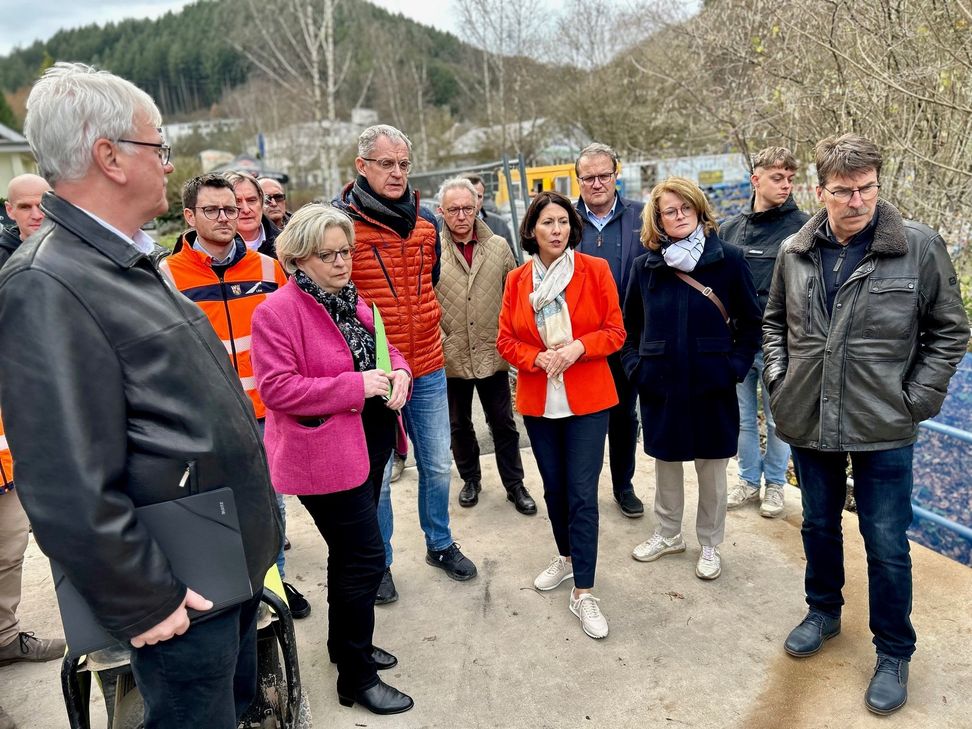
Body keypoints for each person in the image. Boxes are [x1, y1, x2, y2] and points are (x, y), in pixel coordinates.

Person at [0, 62, 281, 729]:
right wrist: (144, 599)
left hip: (221, 563)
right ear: (110, 157)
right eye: (159, 146)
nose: (168, 162)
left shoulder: (121, 257)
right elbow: (63, 480)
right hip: (179, 592)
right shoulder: (47, 283)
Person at [763, 134, 969, 715]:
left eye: (867, 188)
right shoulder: (794, 251)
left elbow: (950, 330)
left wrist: (917, 398)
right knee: (818, 525)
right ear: (819, 191)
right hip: (809, 416)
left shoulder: (918, 247)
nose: (857, 200)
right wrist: (780, 381)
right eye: (844, 191)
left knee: (885, 541)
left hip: (884, 423)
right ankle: (823, 611)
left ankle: (894, 651)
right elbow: (774, 323)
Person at [251, 203, 414, 715]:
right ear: (299, 257)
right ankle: (356, 678)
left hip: (370, 443)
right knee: (365, 558)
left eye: (346, 252)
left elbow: (384, 351)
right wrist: (355, 385)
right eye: (329, 255)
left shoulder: (351, 299)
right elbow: (277, 389)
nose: (343, 262)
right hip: (324, 457)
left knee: (349, 557)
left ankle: (346, 648)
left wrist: (401, 373)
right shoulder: (277, 312)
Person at [336, 124, 476, 605]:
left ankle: (440, 543)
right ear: (362, 166)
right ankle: (380, 563)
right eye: (386, 164)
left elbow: (429, 280)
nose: (397, 173)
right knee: (376, 481)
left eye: (403, 164)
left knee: (437, 465)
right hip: (375, 377)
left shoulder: (426, 222)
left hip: (428, 366)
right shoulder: (342, 224)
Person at [158, 174, 309, 619]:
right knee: (215, 509)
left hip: (264, 412)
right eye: (213, 210)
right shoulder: (167, 277)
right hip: (205, 419)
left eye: (231, 208)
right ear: (189, 216)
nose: (226, 217)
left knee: (268, 510)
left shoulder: (268, 269)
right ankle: (232, 596)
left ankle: (273, 592)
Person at [497, 190, 625, 640]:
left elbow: (615, 331)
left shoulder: (595, 270)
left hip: (588, 400)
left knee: (582, 494)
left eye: (564, 222)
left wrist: (577, 348)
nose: (557, 230)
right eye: (548, 223)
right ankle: (567, 557)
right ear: (532, 230)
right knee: (554, 489)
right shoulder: (517, 280)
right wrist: (536, 358)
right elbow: (506, 340)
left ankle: (584, 591)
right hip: (540, 400)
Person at [622, 177, 760, 581]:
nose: (679, 216)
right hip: (661, 382)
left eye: (686, 208)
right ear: (658, 219)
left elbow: (752, 323)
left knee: (712, 468)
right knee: (666, 462)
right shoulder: (645, 267)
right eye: (670, 211)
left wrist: (733, 368)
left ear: (699, 210)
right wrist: (637, 369)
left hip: (712, 383)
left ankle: (710, 543)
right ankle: (668, 534)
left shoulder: (729, 259)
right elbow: (628, 327)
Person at [0, 173, 63, 729]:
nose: (36, 214)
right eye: (25, 206)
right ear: (10, 211)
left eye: (43, 204)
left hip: (18, 448)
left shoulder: (69, 255)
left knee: (11, 548)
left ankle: (4, 637)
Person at [434, 177, 535, 515]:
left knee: (503, 423)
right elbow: (423, 301)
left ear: (477, 206)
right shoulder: (432, 250)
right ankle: (471, 479)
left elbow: (515, 297)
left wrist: (510, 338)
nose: (462, 216)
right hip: (451, 354)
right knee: (459, 424)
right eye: (453, 210)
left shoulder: (498, 246)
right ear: (441, 212)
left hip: (492, 351)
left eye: (467, 208)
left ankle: (515, 484)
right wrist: (441, 338)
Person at [720, 146, 809, 518]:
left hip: (781, 345)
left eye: (790, 178)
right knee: (742, 417)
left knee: (777, 419)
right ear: (755, 179)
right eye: (777, 177)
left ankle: (775, 484)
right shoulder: (729, 229)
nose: (785, 185)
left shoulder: (805, 227)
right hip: (738, 342)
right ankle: (747, 479)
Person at [574, 142, 646, 518]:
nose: (597, 183)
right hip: (580, 342)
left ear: (616, 175)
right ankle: (582, 492)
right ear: (579, 181)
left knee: (623, 417)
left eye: (604, 175)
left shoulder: (642, 216)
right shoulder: (565, 220)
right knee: (582, 419)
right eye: (589, 177)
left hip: (628, 337)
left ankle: (623, 486)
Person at [224, 171, 279, 258]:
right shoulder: (211, 249)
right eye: (236, 202)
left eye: (251, 200)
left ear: (261, 201)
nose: (246, 210)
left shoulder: (286, 244)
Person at [465, 173, 515, 256]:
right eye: (469, 196)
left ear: (483, 197)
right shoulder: (445, 225)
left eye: (479, 196)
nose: (474, 201)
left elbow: (512, 260)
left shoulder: (499, 224)